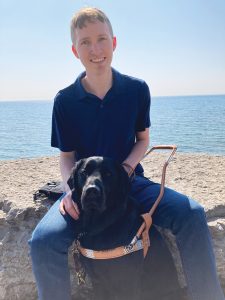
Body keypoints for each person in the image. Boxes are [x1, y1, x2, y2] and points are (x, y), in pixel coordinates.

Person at [29, 7, 225, 300]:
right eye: (85, 42)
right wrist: (71, 190)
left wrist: (127, 168)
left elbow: (142, 140)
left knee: (192, 214)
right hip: (86, 191)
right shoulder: (65, 100)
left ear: (114, 42)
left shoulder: (136, 89)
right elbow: (67, 157)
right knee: (42, 242)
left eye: (101, 39)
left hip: (131, 182)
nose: (95, 49)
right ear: (75, 50)